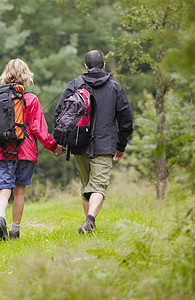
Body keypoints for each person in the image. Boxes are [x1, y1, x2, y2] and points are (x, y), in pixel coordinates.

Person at [0, 58, 65, 241]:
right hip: (25, 151)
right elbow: (38, 129)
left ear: (5, 75)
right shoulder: (31, 99)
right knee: (19, 191)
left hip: (1, 150)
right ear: (26, 76)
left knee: (4, 190)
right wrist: (53, 147)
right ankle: (15, 231)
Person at [54, 50, 133, 234]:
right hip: (104, 145)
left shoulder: (75, 84)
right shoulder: (115, 88)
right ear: (104, 66)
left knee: (87, 186)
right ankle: (90, 221)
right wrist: (120, 146)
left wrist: (62, 141)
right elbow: (126, 121)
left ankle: (89, 224)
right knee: (98, 186)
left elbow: (59, 114)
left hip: (78, 143)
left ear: (86, 66)